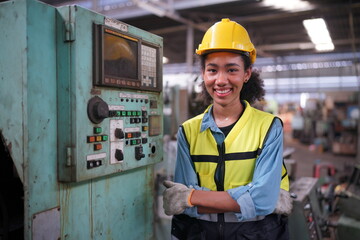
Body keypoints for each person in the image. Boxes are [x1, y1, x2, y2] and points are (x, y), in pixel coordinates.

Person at [162, 18, 292, 240]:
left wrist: (193, 196)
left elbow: (262, 200)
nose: (221, 80)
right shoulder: (188, 131)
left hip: (257, 235)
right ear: (203, 74)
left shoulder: (269, 127)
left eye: (232, 70)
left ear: (247, 74)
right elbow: (184, 206)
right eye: (212, 70)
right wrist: (245, 199)